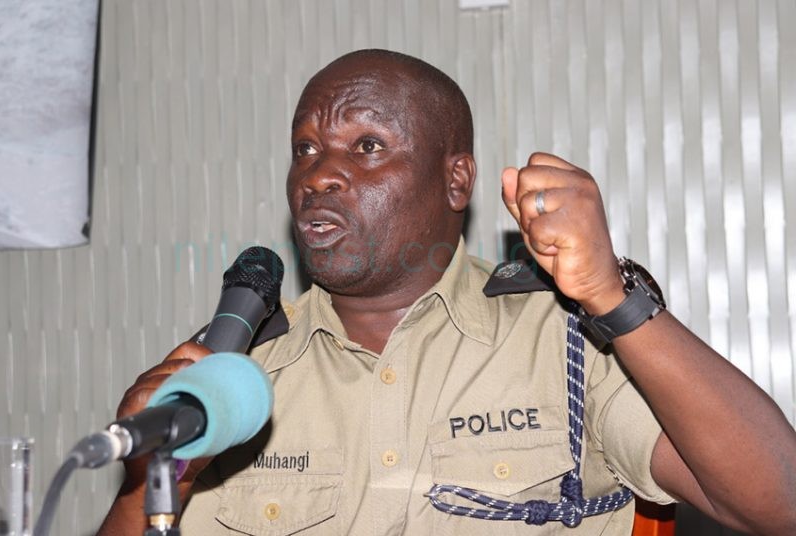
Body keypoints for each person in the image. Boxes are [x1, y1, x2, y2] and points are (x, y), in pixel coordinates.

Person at [98, 49, 796, 535]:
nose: (318, 175)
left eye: (367, 146)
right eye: (305, 149)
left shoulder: (566, 339)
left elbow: (778, 505)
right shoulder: (240, 379)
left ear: (456, 180)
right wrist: (160, 473)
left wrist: (614, 299)